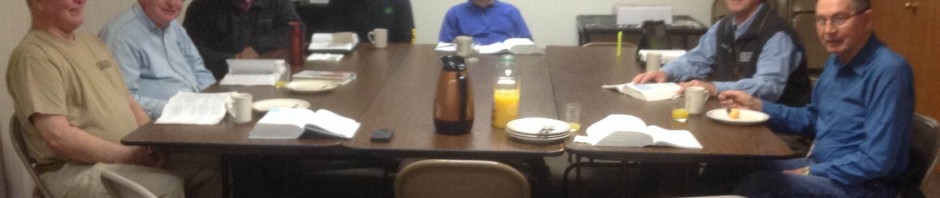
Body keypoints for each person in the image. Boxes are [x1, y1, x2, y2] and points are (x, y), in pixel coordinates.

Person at [6, 0, 220, 197]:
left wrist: (153, 146)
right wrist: (129, 156)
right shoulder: (34, 55)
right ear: (38, 2)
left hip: (124, 156)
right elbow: (58, 136)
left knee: (210, 167)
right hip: (76, 168)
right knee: (165, 188)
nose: (80, 1)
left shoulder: (92, 43)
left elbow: (127, 101)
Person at [722, 0, 913, 196]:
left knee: (760, 185)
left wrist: (810, 171)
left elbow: (877, 160)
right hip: (823, 167)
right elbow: (813, 118)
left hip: (861, 185)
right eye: (821, 20)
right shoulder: (836, 62)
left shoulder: (889, 71)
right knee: (734, 166)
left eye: (840, 19)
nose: (829, 30)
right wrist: (758, 106)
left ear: (867, 19)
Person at [632, 0, 814, 155]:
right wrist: (666, 72)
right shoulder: (724, 26)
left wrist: (714, 88)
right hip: (736, 122)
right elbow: (696, 59)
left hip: (779, 134)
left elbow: (767, 87)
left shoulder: (777, 34)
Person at [99, 0, 216, 119]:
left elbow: (199, 69)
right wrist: (178, 108)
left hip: (196, 113)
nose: (172, 3)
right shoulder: (121, 36)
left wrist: (213, 100)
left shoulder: (173, 26)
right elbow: (123, 99)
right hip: (156, 124)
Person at [183, 0, 302, 79]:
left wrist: (257, 47)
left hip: (269, 76)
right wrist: (232, 60)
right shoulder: (201, 6)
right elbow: (189, 49)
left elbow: (295, 29)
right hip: (219, 79)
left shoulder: (276, 2)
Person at [298, 0, 415, 43]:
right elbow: (335, 35)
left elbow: (407, 36)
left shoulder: (398, 2)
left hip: (392, 63)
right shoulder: (341, 2)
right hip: (351, 61)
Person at [438, 0, 532, 45]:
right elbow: (444, 47)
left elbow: (527, 43)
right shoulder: (454, 13)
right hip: (467, 66)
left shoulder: (511, 11)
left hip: (506, 65)